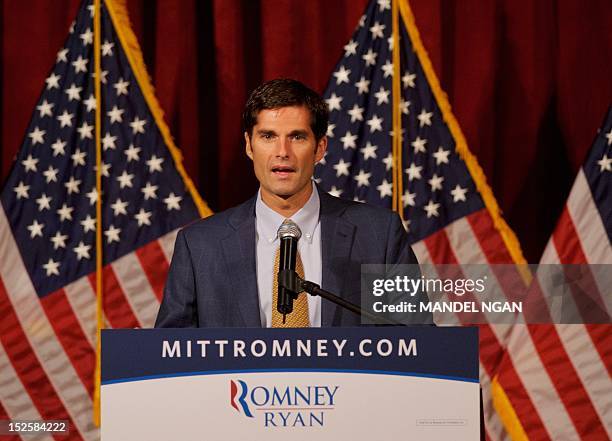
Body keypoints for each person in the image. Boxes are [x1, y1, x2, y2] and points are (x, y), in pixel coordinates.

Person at [155, 78, 428, 328]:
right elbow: (171, 354)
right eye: (268, 136)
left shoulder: (378, 235)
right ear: (249, 146)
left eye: (297, 137)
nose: (282, 152)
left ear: (320, 148)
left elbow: (417, 343)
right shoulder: (200, 245)